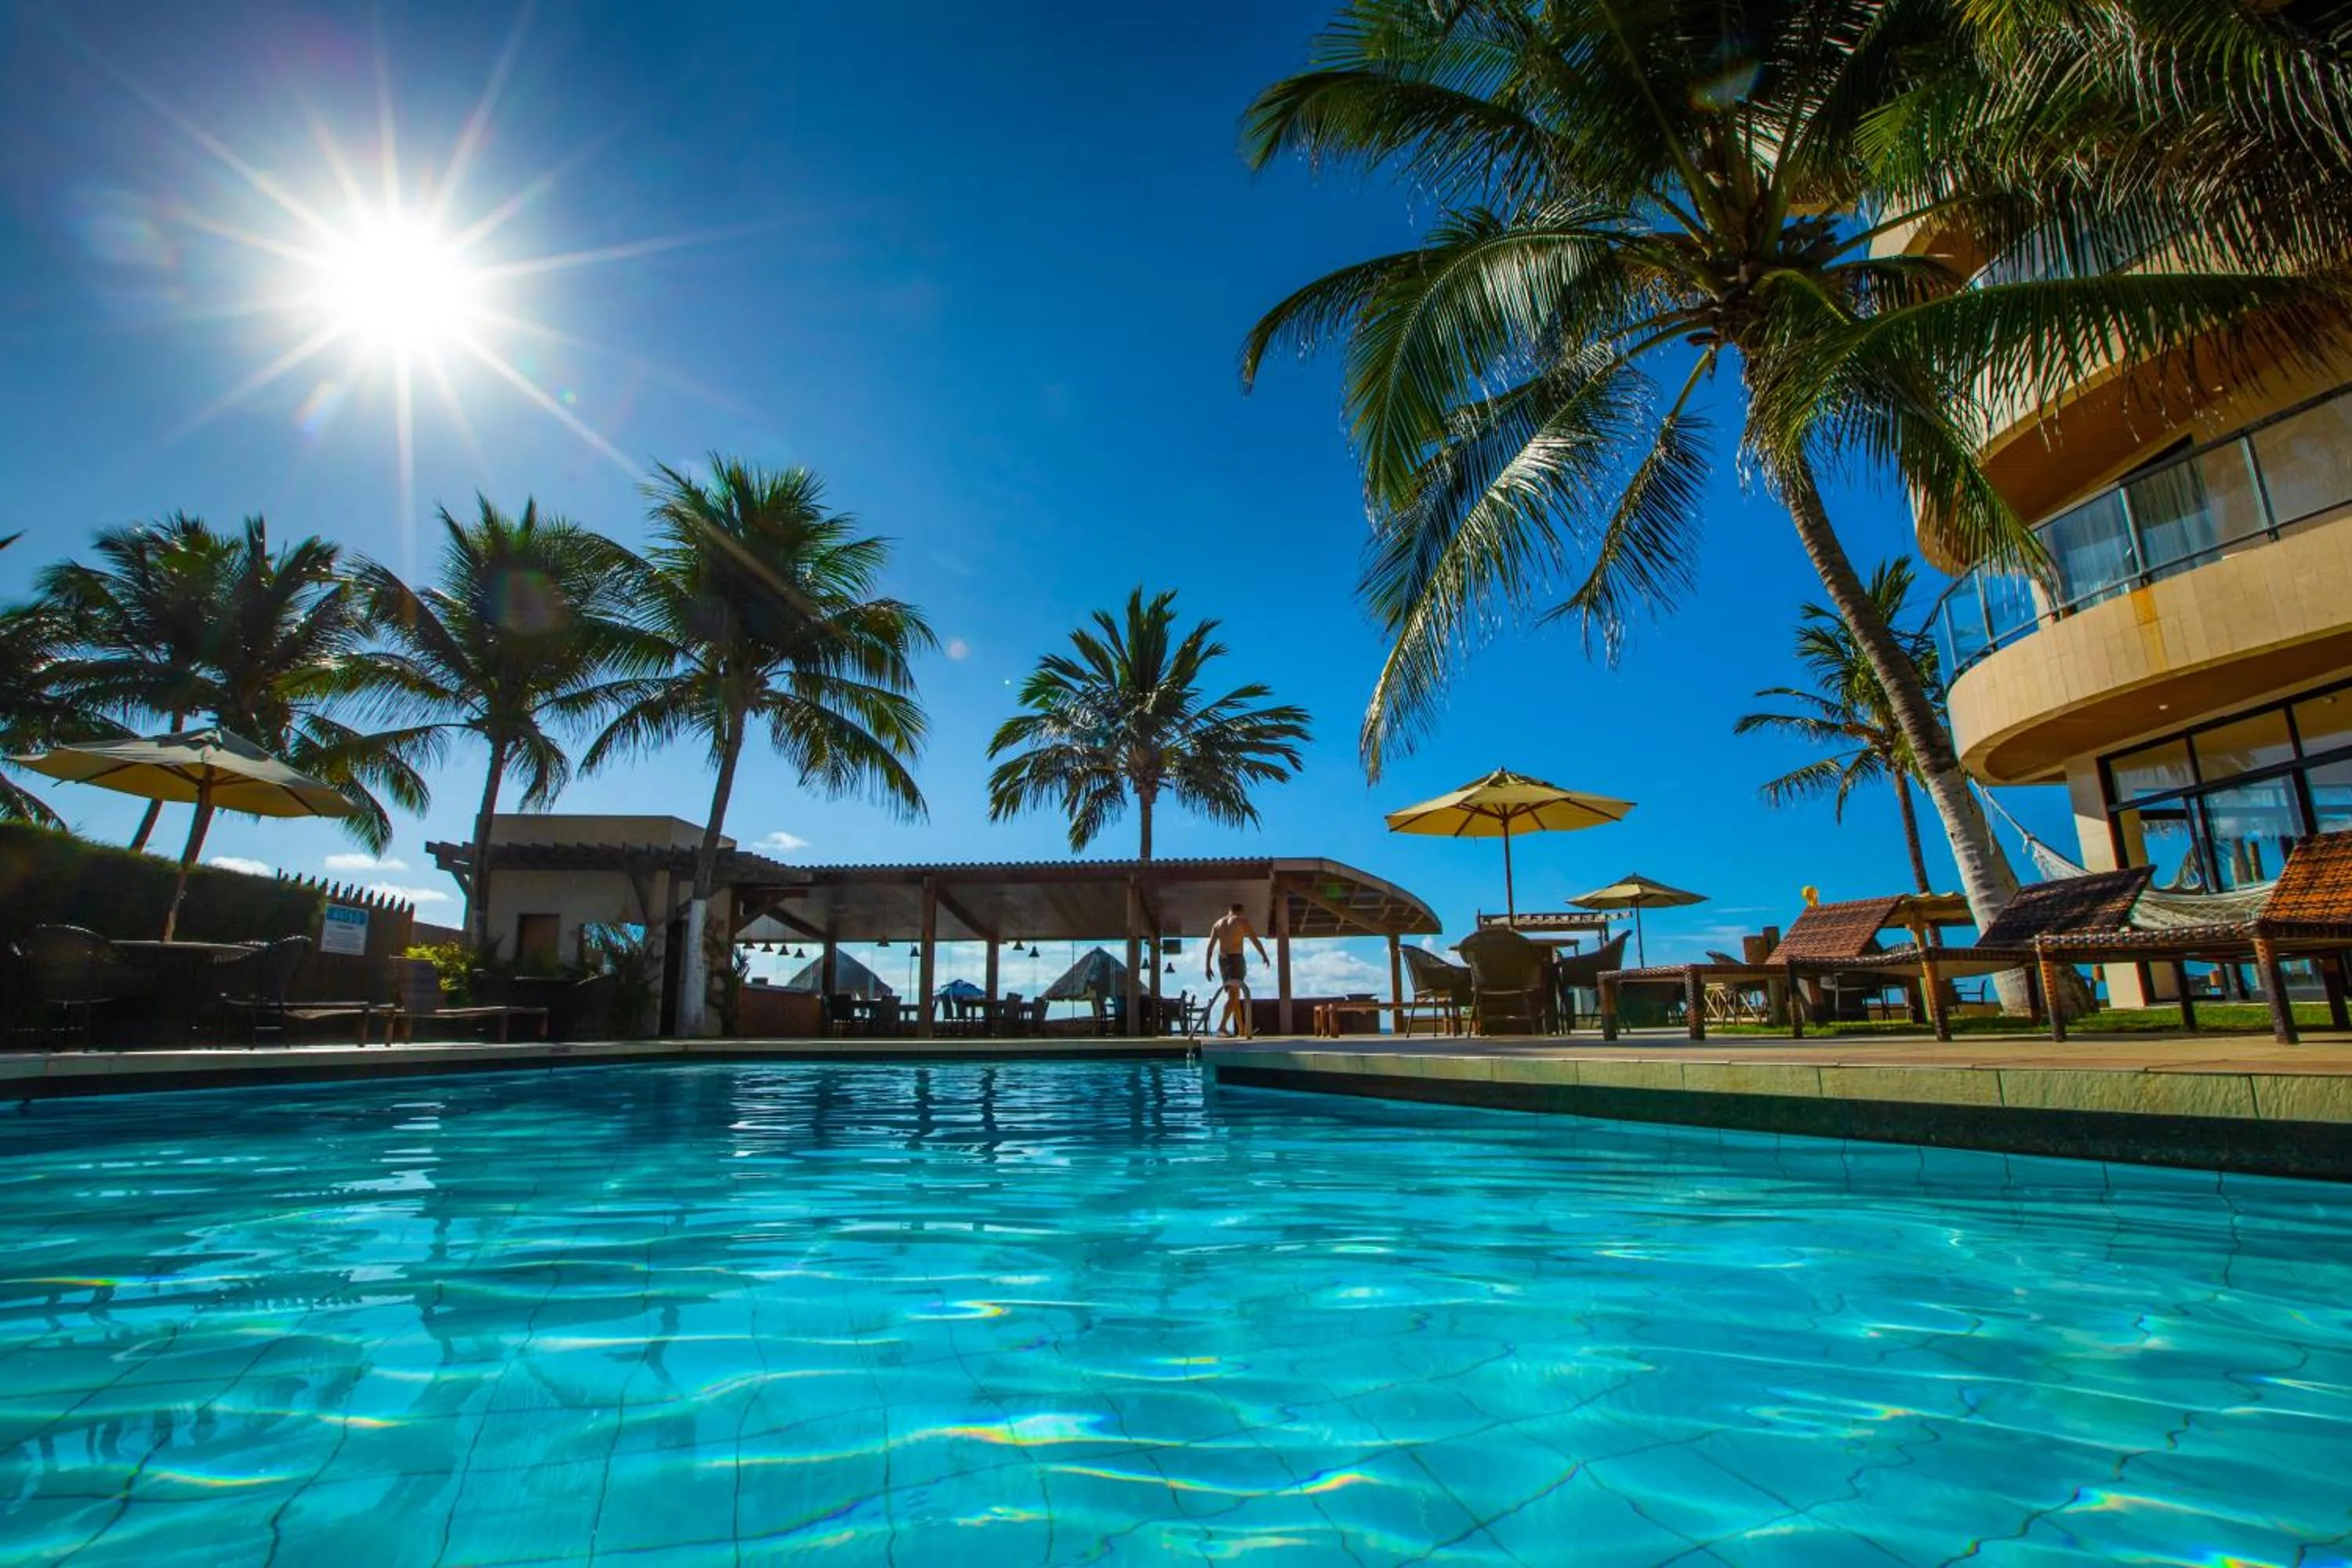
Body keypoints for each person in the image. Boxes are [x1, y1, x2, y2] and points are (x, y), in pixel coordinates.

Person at [1205, 902, 1271, 1038]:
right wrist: (1263, 955)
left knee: (1234, 995)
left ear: (1230, 910)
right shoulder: (1241, 921)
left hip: (1222, 960)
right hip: (1235, 958)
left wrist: (1208, 966)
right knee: (1234, 995)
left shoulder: (1218, 924)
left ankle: (1242, 1029)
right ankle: (1222, 1026)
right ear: (1240, 911)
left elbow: (1210, 947)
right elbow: (1254, 939)